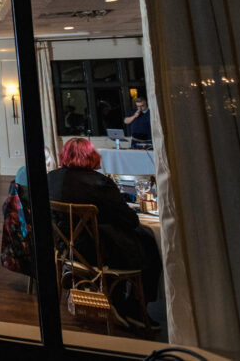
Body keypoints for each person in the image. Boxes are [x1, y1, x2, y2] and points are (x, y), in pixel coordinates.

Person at [48, 137, 161, 328]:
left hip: (66, 246)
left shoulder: (51, 178)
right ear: (92, 156)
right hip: (98, 251)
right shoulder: (100, 184)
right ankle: (134, 307)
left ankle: (115, 297)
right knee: (148, 243)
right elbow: (129, 220)